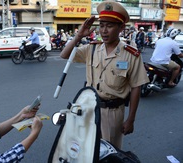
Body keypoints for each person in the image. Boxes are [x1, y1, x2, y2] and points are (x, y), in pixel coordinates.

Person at [60, 1, 149, 149]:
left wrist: (131, 119)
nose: (104, 31)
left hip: (113, 113)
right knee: (85, 150)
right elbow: (64, 55)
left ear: (121, 28)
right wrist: (78, 35)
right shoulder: (92, 49)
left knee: (109, 152)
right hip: (88, 109)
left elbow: (136, 88)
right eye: (101, 25)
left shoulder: (131, 54)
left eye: (110, 26)